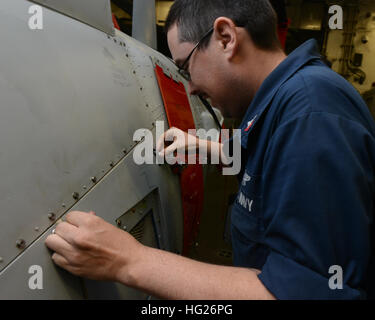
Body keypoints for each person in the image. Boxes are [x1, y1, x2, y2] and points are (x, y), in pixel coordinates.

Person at [45, 0, 375, 299]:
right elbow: (277, 160)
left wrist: (128, 261)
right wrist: (208, 147)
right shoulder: (291, 101)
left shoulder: (312, 114)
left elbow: (306, 291)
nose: (191, 87)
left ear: (226, 38)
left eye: (187, 68)